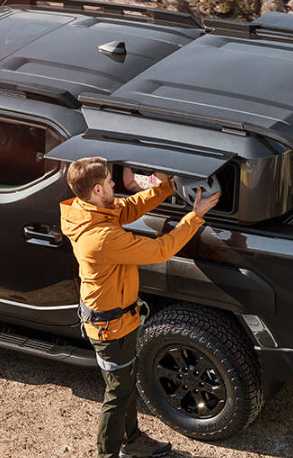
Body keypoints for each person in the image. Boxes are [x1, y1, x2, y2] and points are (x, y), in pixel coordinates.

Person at [59, 157, 220, 458]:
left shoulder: (88, 211)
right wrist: (195, 216)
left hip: (115, 319)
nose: (114, 183)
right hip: (110, 328)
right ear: (96, 190)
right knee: (117, 394)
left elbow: (130, 207)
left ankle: (132, 441)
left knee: (123, 385)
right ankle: (107, 454)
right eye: (109, 181)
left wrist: (168, 186)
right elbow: (160, 250)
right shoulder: (101, 237)